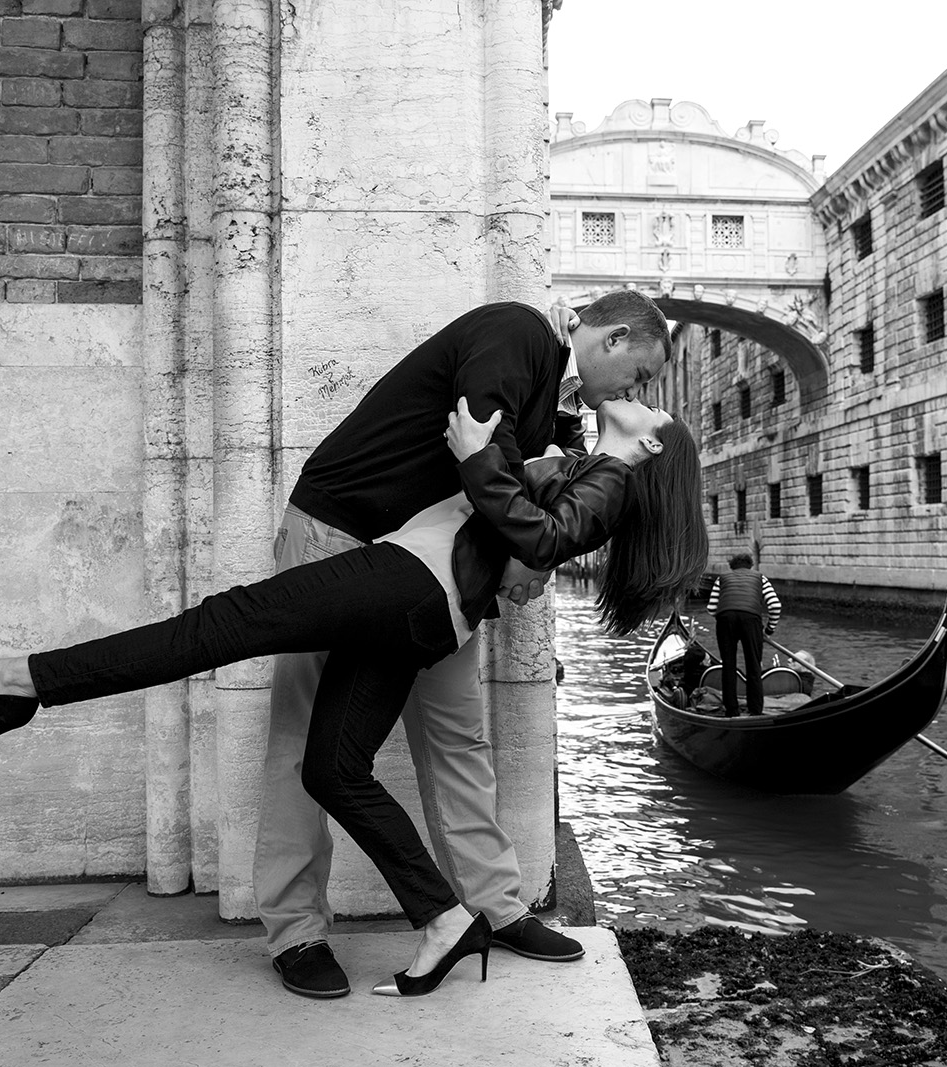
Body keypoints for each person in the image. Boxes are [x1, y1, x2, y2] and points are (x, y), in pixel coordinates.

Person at [0, 395, 708, 999]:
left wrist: (476, 456)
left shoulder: (613, 475)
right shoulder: (590, 459)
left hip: (405, 585)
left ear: (652, 441)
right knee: (332, 766)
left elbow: (539, 538)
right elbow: (530, 528)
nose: (642, 388)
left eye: (650, 398)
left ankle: (18, 682)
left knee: (221, 624)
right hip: (422, 613)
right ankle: (442, 918)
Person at [257, 291, 669, 998]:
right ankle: (296, 929)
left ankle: (495, 908)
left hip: (429, 560)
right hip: (339, 533)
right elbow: (485, 449)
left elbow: (517, 462)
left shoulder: (552, 386)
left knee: (455, 732)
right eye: (639, 375)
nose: (636, 391)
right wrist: (532, 550)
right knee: (302, 733)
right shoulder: (515, 331)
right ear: (615, 336)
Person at [705, 553, 782, 717]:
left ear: (731, 566)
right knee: (754, 666)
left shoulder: (722, 578)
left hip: (726, 619)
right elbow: (775, 605)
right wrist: (768, 630)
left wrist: (727, 614)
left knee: (729, 665)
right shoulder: (760, 578)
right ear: (750, 566)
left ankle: (732, 711)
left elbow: (711, 609)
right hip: (751, 619)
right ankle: (755, 711)